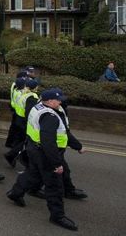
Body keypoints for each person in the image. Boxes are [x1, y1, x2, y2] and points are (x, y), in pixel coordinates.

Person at [6, 89, 82, 231]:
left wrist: (77, 146)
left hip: (34, 149)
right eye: (58, 99)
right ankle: (57, 216)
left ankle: (15, 193)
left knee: (32, 174)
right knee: (54, 186)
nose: (61, 102)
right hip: (45, 153)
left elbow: (63, 131)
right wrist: (57, 164)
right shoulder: (49, 116)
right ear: (49, 101)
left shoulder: (38, 106)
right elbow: (49, 142)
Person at [5, 79, 39, 168]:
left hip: (18, 119)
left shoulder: (24, 94)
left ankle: (12, 155)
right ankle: (12, 155)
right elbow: (29, 112)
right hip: (24, 122)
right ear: (35, 87)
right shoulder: (32, 97)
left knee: (19, 140)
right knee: (27, 141)